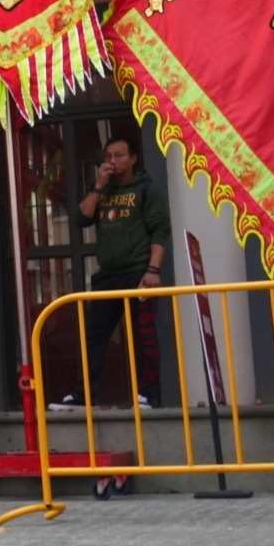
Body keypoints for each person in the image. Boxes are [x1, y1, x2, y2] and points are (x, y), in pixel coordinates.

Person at [60, 133, 169, 407]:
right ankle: (83, 395)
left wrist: (153, 270)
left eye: (119, 155)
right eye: (108, 156)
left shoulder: (147, 189)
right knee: (94, 335)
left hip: (138, 273)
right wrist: (98, 185)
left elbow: (160, 230)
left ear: (133, 159)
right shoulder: (103, 190)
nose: (112, 161)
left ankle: (147, 395)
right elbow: (80, 219)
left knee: (142, 335)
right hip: (107, 275)